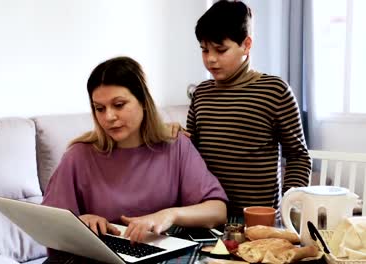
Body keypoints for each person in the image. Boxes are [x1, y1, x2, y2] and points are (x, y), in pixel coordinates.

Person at [42, 56, 228, 245]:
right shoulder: (78, 156)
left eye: (119, 105)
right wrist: (81, 222)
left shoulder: (176, 146)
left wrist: (169, 215)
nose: (109, 117)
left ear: (143, 102)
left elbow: (217, 210)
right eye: (99, 108)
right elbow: (47, 224)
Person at [187, 0, 312, 219]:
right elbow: (190, 154)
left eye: (220, 49)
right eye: (204, 50)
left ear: (246, 44)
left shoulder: (274, 90)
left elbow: (298, 156)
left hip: (259, 220)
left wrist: (290, 205)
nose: (211, 59)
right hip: (207, 217)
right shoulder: (201, 93)